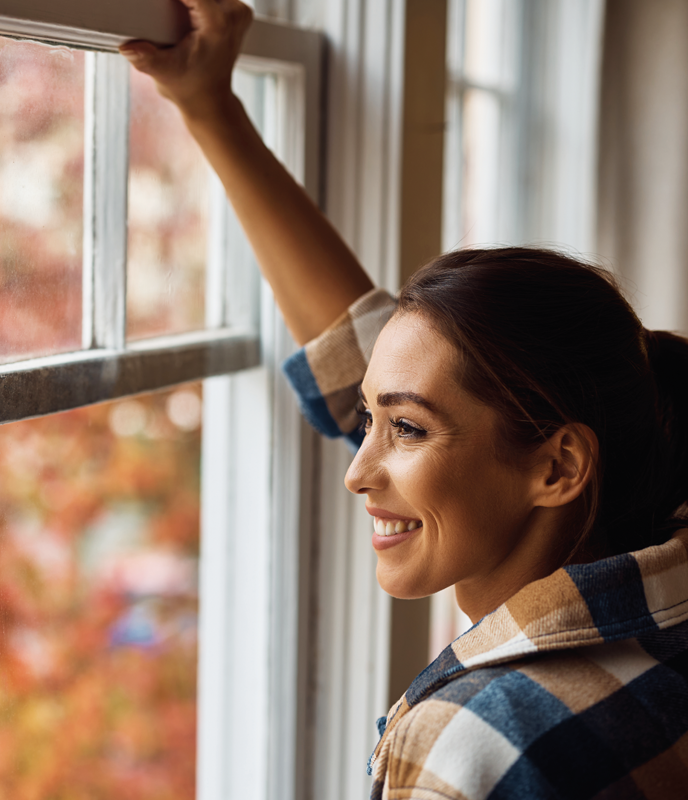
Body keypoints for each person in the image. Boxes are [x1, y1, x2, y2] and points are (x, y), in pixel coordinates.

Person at [120, 2, 688, 798]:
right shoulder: (662, 571)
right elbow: (390, 361)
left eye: (407, 429)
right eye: (373, 419)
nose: (358, 471)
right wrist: (211, 107)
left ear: (559, 464)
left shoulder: (478, 745)